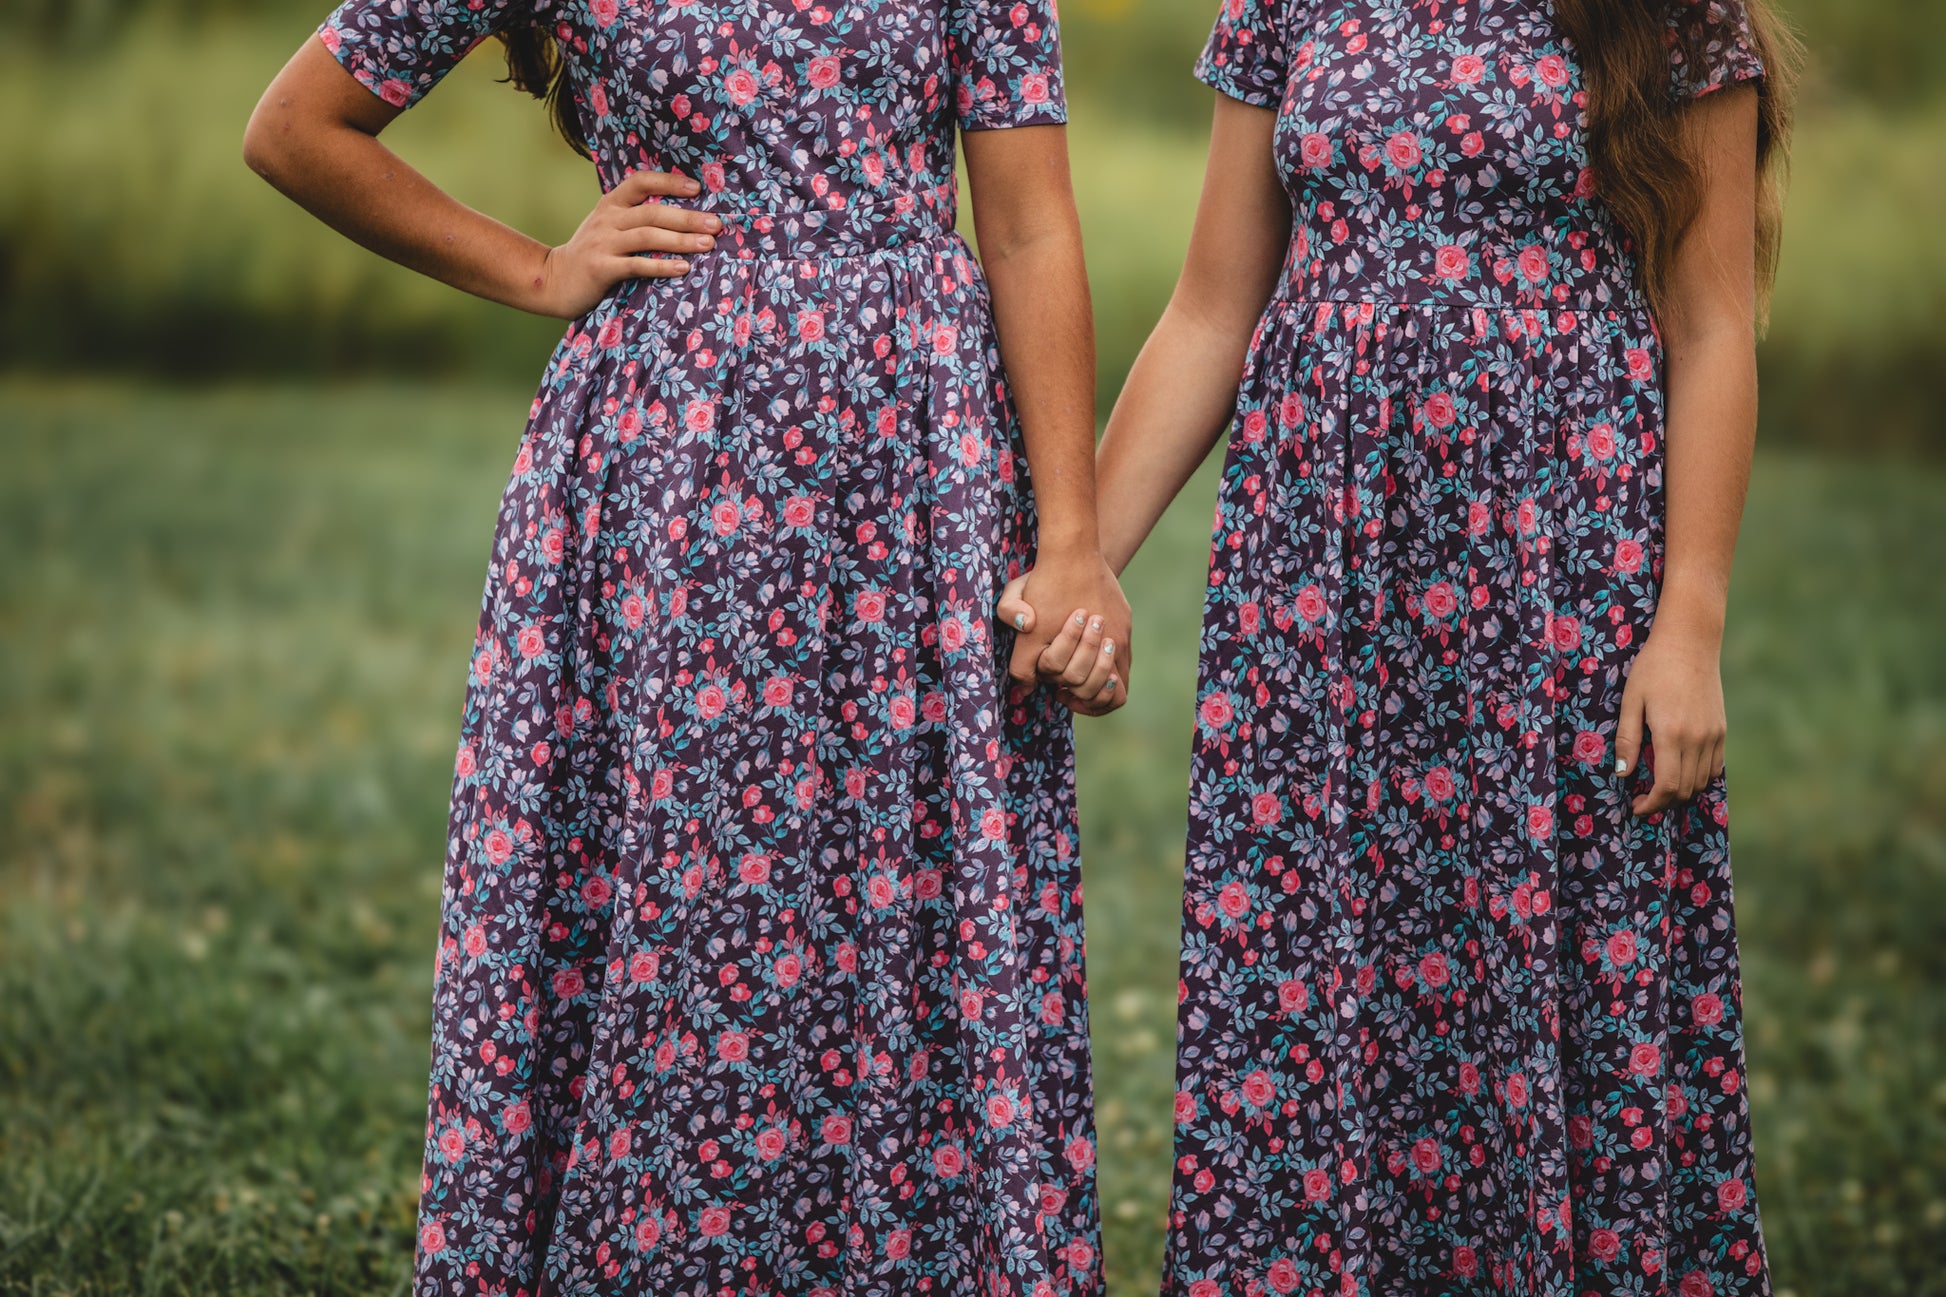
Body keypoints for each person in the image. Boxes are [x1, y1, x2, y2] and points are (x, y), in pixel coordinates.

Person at [243, 1, 1130, 1291]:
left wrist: (1069, 539)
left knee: (906, 889)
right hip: (672, 468)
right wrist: (538, 269)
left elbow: (1031, 225)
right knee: (687, 884)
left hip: (916, 466)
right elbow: (297, 128)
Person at [1002, 0, 1797, 1292]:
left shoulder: (1671, 11)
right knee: (1317, 977)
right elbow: (1210, 310)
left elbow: (1707, 326)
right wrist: (1076, 555)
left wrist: (1689, 619)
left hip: (1552, 590)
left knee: (1521, 971)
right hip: (1317, 592)